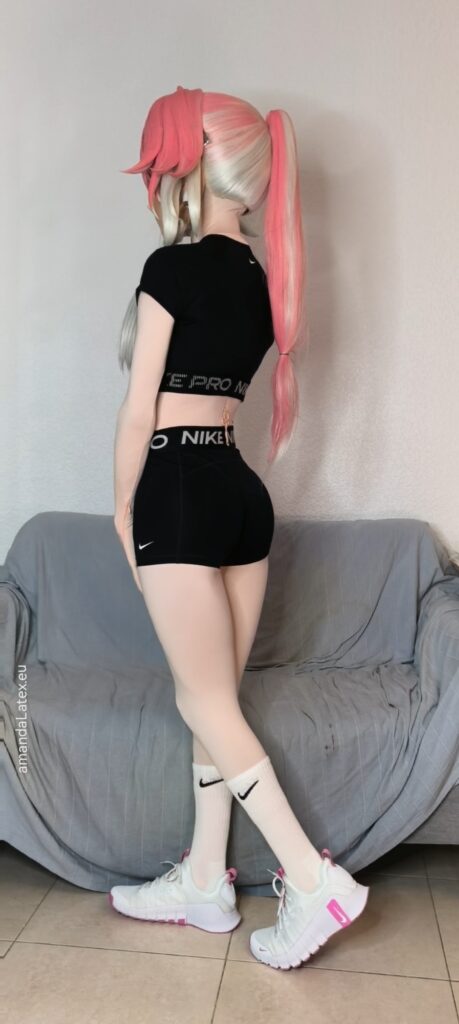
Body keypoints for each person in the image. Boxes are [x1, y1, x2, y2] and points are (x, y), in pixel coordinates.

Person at [110, 85, 369, 970]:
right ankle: (203, 880)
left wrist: (122, 509)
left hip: (178, 488)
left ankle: (313, 881)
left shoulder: (170, 269)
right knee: (212, 697)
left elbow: (139, 410)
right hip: (238, 493)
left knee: (204, 700)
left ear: (183, 169)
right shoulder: (265, 280)